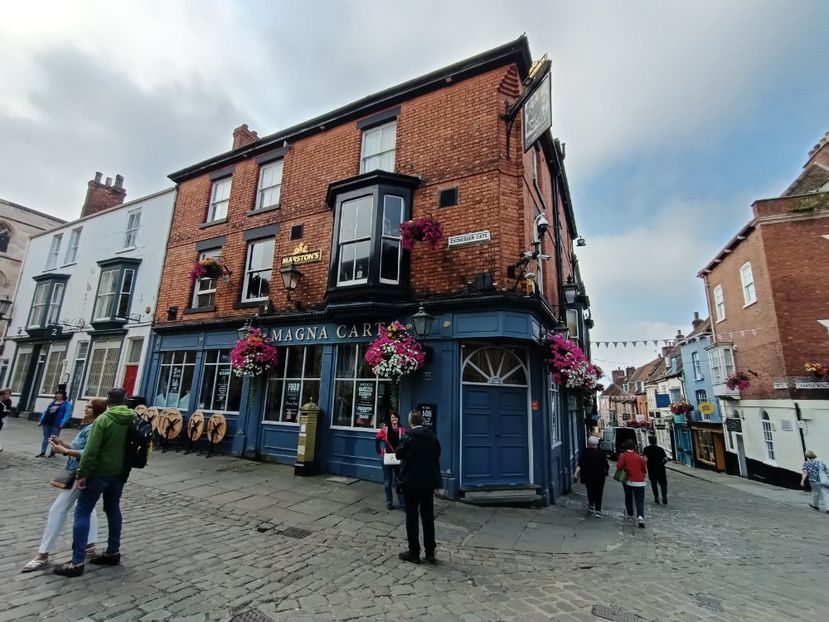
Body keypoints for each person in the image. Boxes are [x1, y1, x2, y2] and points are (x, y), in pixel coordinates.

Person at [54, 388, 134, 577]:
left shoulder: (103, 420)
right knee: (113, 509)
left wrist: (82, 473)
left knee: (82, 512)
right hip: (120, 472)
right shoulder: (133, 417)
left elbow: (91, 450)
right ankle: (113, 552)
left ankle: (77, 562)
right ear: (125, 400)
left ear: (108, 401)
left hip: (99, 473)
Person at [21, 399, 107, 573]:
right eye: (86, 406)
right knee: (87, 508)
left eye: (90, 407)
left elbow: (89, 452)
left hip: (80, 472)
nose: (85, 409)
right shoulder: (90, 426)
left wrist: (65, 451)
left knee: (58, 509)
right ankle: (90, 545)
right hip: (82, 470)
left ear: (98, 409)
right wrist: (64, 444)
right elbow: (81, 446)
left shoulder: (94, 428)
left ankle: (43, 554)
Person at [395, 409, 441, 564]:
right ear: (421, 421)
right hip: (428, 483)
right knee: (428, 517)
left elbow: (398, 455)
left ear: (410, 422)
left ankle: (414, 553)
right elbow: (437, 453)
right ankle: (430, 553)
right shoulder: (432, 436)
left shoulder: (407, 436)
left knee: (412, 516)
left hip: (411, 483)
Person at [375, 411, 407, 511]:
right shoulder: (385, 429)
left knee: (399, 481)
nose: (394, 419)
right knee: (387, 482)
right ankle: (389, 502)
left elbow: (406, 443)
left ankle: (402, 504)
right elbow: (377, 439)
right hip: (386, 458)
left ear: (398, 418)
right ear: (390, 419)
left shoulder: (402, 430)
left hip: (398, 458)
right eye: (392, 417)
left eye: (395, 417)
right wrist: (378, 451)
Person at [575, 436, 609, 517]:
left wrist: (576, 473)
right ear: (596, 444)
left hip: (588, 476)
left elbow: (580, 464)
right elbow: (606, 464)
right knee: (599, 492)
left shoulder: (584, 452)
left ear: (588, 443)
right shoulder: (601, 452)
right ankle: (598, 510)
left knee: (590, 490)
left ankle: (591, 504)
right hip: (600, 476)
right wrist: (606, 471)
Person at [616, 439, 648, 528]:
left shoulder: (623, 455)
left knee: (628, 497)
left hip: (628, 480)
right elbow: (644, 469)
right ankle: (640, 517)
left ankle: (630, 515)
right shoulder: (638, 457)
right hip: (640, 481)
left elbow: (619, 466)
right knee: (639, 500)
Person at [38, 390, 71, 457]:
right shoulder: (52, 403)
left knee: (54, 438)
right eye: (57, 394)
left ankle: (52, 453)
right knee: (46, 437)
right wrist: (41, 420)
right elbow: (45, 412)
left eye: (60, 394)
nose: (58, 395)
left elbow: (67, 414)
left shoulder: (66, 404)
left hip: (56, 423)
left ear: (63, 395)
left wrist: (63, 422)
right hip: (47, 422)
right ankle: (43, 452)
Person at [642, 436, 669, 505]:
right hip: (661, 468)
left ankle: (656, 497)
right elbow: (666, 459)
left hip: (651, 469)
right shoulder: (660, 449)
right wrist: (662, 463)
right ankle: (664, 496)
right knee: (663, 483)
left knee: (654, 484)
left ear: (649, 441)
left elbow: (644, 459)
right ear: (656, 441)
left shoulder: (646, 449)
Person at [0, 387, 12, 452]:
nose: (7, 395)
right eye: (6, 394)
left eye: (8, 394)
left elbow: (6, 412)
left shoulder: (8, 401)